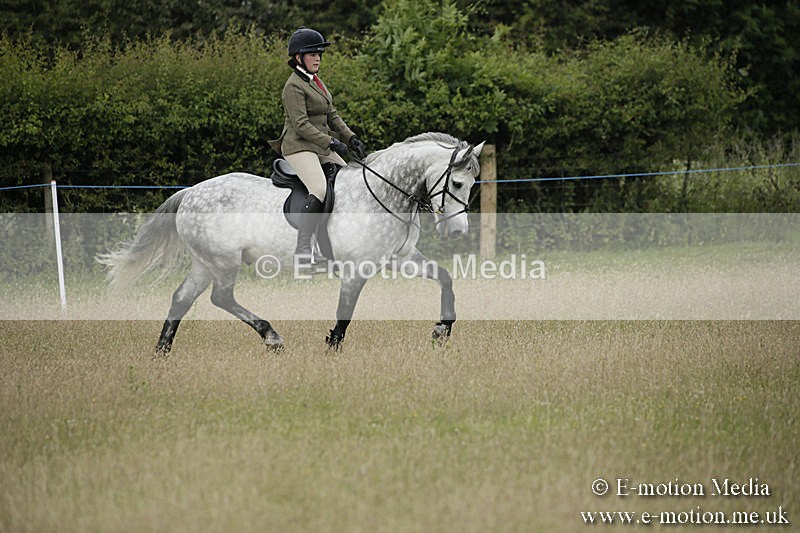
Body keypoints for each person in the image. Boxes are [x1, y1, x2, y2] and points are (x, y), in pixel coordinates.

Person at [269, 27, 366, 268]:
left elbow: (332, 115)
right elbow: (301, 125)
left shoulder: (316, 82)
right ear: (298, 57)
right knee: (320, 189)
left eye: (319, 53)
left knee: (350, 182)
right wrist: (331, 142)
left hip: (319, 146)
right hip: (299, 147)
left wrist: (351, 137)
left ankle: (337, 243)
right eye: (313, 54)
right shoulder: (293, 87)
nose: (318, 57)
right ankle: (303, 252)